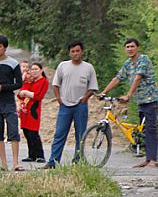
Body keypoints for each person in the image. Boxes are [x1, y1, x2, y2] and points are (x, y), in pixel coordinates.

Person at [98, 38, 158, 168]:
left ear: (137, 47)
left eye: (132, 46)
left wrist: (128, 95)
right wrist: (104, 92)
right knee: (145, 130)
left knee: (151, 129)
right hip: (140, 101)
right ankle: (149, 159)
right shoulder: (128, 64)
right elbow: (118, 78)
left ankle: (152, 159)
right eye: (127, 47)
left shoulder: (144, 59)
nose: (130, 49)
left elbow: (138, 77)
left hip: (151, 99)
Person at [45, 41, 98, 168]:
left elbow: (93, 87)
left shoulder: (88, 67)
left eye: (78, 51)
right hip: (65, 105)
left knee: (81, 134)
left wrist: (85, 98)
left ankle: (78, 161)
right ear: (69, 53)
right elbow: (55, 84)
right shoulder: (63, 66)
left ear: (82, 52)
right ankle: (53, 161)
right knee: (59, 134)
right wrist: (59, 98)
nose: (75, 53)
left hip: (80, 105)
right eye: (73, 51)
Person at [0, 34, 24, 171]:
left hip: (9, 101)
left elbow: (19, 83)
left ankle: (15, 162)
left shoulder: (13, 63)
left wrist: (4, 87)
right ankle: (4, 163)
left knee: (13, 131)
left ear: (5, 48)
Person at [18, 62, 49, 163]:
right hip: (25, 111)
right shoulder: (29, 81)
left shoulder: (43, 81)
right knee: (26, 132)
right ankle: (31, 155)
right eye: (32, 69)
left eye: (36, 69)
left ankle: (40, 155)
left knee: (33, 133)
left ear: (41, 70)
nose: (34, 71)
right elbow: (20, 94)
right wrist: (25, 88)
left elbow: (38, 96)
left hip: (33, 111)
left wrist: (26, 93)